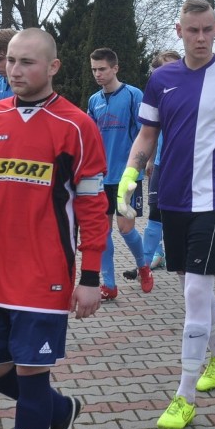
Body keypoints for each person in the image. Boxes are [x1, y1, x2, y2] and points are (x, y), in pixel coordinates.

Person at [0, 28, 108, 429]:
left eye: (26, 62)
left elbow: (92, 208)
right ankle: (60, 410)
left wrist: (90, 276)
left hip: (42, 275)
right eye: (10, 60)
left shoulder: (77, 125)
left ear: (53, 67)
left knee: (32, 373)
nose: (14, 70)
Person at [116, 0, 215, 429]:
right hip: (170, 198)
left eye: (207, 30)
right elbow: (147, 134)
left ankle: (183, 397)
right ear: (179, 30)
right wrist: (129, 174)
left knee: (195, 295)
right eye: (192, 30)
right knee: (188, 283)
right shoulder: (160, 79)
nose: (200, 38)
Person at [87, 47, 151, 298]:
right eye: (94, 69)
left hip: (127, 177)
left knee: (126, 230)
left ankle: (143, 265)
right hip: (100, 178)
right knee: (102, 233)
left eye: (102, 69)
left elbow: (146, 134)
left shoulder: (134, 95)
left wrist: (143, 163)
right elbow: (90, 137)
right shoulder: (94, 100)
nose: (98, 74)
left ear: (115, 68)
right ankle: (109, 285)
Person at [139, 50, 182, 271]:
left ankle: (177, 255)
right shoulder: (158, 94)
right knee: (155, 211)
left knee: (177, 215)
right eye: (164, 68)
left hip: (186, 168)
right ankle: (146, 262)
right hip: (160, 164)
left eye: (174, 67)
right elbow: (151, 132)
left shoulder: (192, 93)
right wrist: (148, 160)